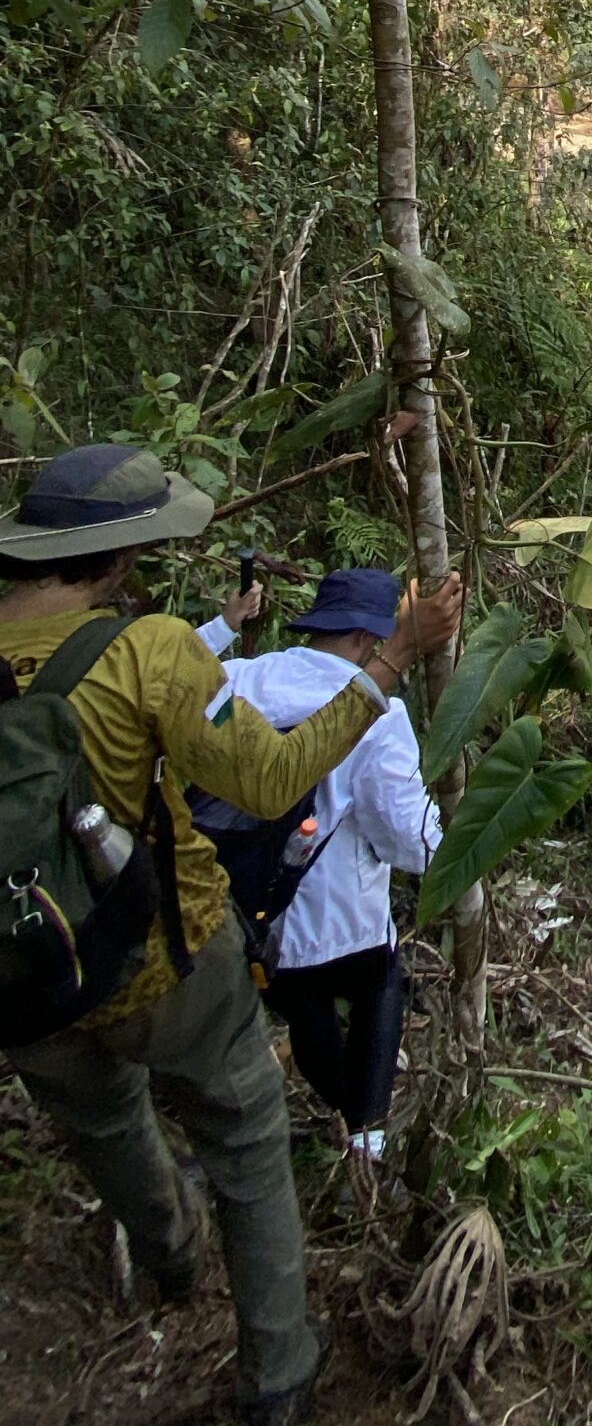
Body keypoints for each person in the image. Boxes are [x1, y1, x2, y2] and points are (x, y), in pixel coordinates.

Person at [0, 443, 463, 1425]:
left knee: (105, 1117)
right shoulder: (146, 649)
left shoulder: (171, 650)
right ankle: (280, 1371)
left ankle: (168, 1252)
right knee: (246, 1127)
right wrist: (396, 659)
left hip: (18, 972)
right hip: (158, 961)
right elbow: (262, 778)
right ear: (122, 559)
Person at [196, 567, 440, 1182]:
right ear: (366, 638)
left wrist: (226, 626)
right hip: (337, 928)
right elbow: (409, 841)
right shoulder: (376, 710)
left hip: (235, 919)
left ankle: (350, 1122)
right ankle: (367, 1140)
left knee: (303, 1009)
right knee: (382, 981)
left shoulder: (242, 678)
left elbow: (169, 676)